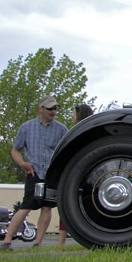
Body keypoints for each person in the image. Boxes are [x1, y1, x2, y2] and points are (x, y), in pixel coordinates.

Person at [0, 95, 69, 250]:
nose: (53, 111)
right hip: (34, 172)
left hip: (51, 173)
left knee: (47, 207)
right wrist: (23, 164)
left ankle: (37, 242)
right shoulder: (27, 127)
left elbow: (66, 151)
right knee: (26, 206)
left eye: (55, 108)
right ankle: (6, 240)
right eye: (50, 108)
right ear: (41, 109)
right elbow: (15, 150)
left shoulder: (61, 129)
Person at [57, 103, 93, 246]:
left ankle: (61, 242)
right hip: (86, 173)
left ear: (79, 115)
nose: (72, 116)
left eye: (73, 113)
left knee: (68, 205)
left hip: (78, 173)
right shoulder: (90, 130)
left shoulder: (79, 132)